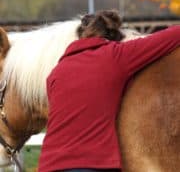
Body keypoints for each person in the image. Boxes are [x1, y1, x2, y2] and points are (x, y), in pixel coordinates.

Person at [38, 10, 180, 172]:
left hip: (50, 165)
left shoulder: (56, 72)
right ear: (114, 37)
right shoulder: (115, 56)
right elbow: (173, 35)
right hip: (93, 164)